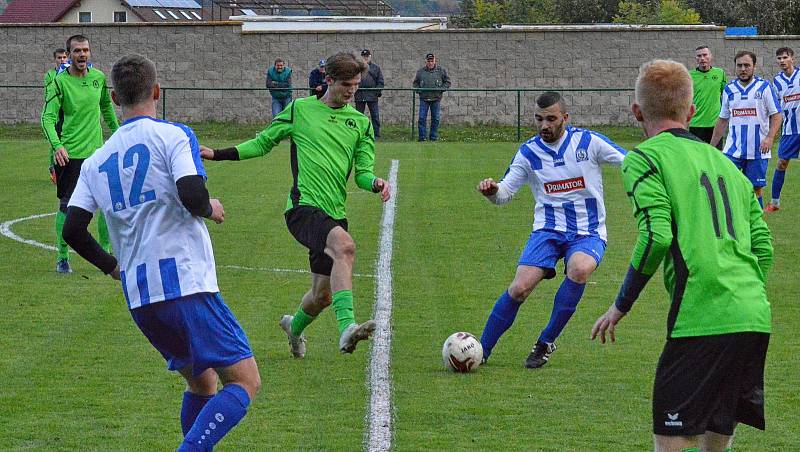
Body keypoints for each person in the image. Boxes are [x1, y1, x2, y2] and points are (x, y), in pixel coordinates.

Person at [62, 54, 261, 451]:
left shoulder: (96, 160)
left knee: (202, 382)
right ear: (156, 91)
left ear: (114, 97)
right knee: (245, 381)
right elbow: (191, 193)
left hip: (140, 295)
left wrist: (112, 266)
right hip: (184, 282)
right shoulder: (174, 135)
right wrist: (211, 208)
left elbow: (72, 229)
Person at [591, 58, 772, 452]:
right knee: (714, 438)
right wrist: (744, 293)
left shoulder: (645, 158)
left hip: (702, 315)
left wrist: (620, 305)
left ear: (637, 111)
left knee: (671, 438)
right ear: (691, 112)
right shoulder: (728, 165)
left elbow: (656, 236)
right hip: (752, 314)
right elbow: (763, 245)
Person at [200, 51, 391, 358]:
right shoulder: (299, 110)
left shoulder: (360, 123)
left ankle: (294, 327)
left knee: (322, 296)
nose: (352, 91)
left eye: (356, 84)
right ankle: (348, 327)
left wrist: (376, 183)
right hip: (302, 208)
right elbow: (263, 142)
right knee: (345, 247)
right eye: (346, 84)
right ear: (328, 80)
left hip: (334, 213)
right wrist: (218, 153)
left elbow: (362, 173)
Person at [477, 91, 626, 369]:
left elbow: (629, 161)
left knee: (579, 269)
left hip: (588, 231)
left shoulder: (588, 141)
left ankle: (545, 342)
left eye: (551, 119)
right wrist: (493, 191)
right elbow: (505, 193)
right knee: (519, 288)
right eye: (539, 119)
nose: (544, 125)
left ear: (565, 119)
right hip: (547, 230)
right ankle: (481, 350)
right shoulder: (529, 152)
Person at [41, 34, 117, 274]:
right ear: (69, 55)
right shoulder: (59, 82)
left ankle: (106, 250)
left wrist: (117, 134)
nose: (82, 54)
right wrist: (57, 145)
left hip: (98, 154)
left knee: (107, 204)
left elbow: (105, 106)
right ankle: (63, 258)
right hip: (70, 155)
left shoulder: (99, 78)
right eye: (76, 51)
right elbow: (48, 117)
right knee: (67, 206)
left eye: (85, 50)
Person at [710, 51, 782, 207]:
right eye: (739, 65)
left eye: (747, 65)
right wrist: (711, 146)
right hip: (732, 150)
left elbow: (777, 116)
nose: (743, 69)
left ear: (754, 67)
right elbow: (723, 120)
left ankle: (757, 228)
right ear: (735, 67)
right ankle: (733, 225)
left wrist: (769, 138)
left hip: (758, 149)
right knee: (727, 186)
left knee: (756, 190)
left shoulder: (764, 87)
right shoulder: (729, 89)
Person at [766, 47, 800, 212]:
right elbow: (776, 108)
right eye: (779, 58)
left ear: (792, 58)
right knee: (781, 163)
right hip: (789, 131)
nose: (782, 61)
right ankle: (774, 202)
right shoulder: (777, 81)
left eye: (785, 57)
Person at [688, 46, 727, 147]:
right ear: (695, 58)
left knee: (715, 156)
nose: (702, 58)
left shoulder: (720, 73)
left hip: (715, 124)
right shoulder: (689, 75)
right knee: (697, 157)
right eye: (699, 56)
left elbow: (726, 95)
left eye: (705, 55)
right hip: (696, 123)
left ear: (710, 56)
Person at [413, 53, 450, 141]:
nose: (430, 63)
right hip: (424, 98)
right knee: (422, 118)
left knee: (435, 119)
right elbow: (415, 83)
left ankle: (433, 137)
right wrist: (419, 90)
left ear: (435, 61)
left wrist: (441, 89)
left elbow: (447, 82)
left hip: (436, 98)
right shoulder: (420, 72)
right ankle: (422, 137)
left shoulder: (441, 71)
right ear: (426, 61)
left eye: (432, 61)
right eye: (428, 61)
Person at [44, 47, 69, 185]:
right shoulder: (50, 75)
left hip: (67, 112)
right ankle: (53, 168)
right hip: (55, 112)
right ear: (55, 59)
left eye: (64, 58)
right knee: (55, 140)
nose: (62, 60)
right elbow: (50, 93)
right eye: (59, 58)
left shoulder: (71, 73)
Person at [355, 49, 385, 139]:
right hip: (360, 95)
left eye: (367, 56)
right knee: (359, 116)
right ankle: (359, 134)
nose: (365, 58)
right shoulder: (357, 68)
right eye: (364, 57)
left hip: (372, 96)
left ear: (370, 57)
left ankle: (376, 135)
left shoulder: (376, 68)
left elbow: (380, 82)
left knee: (375, 116)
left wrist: (376, 92)